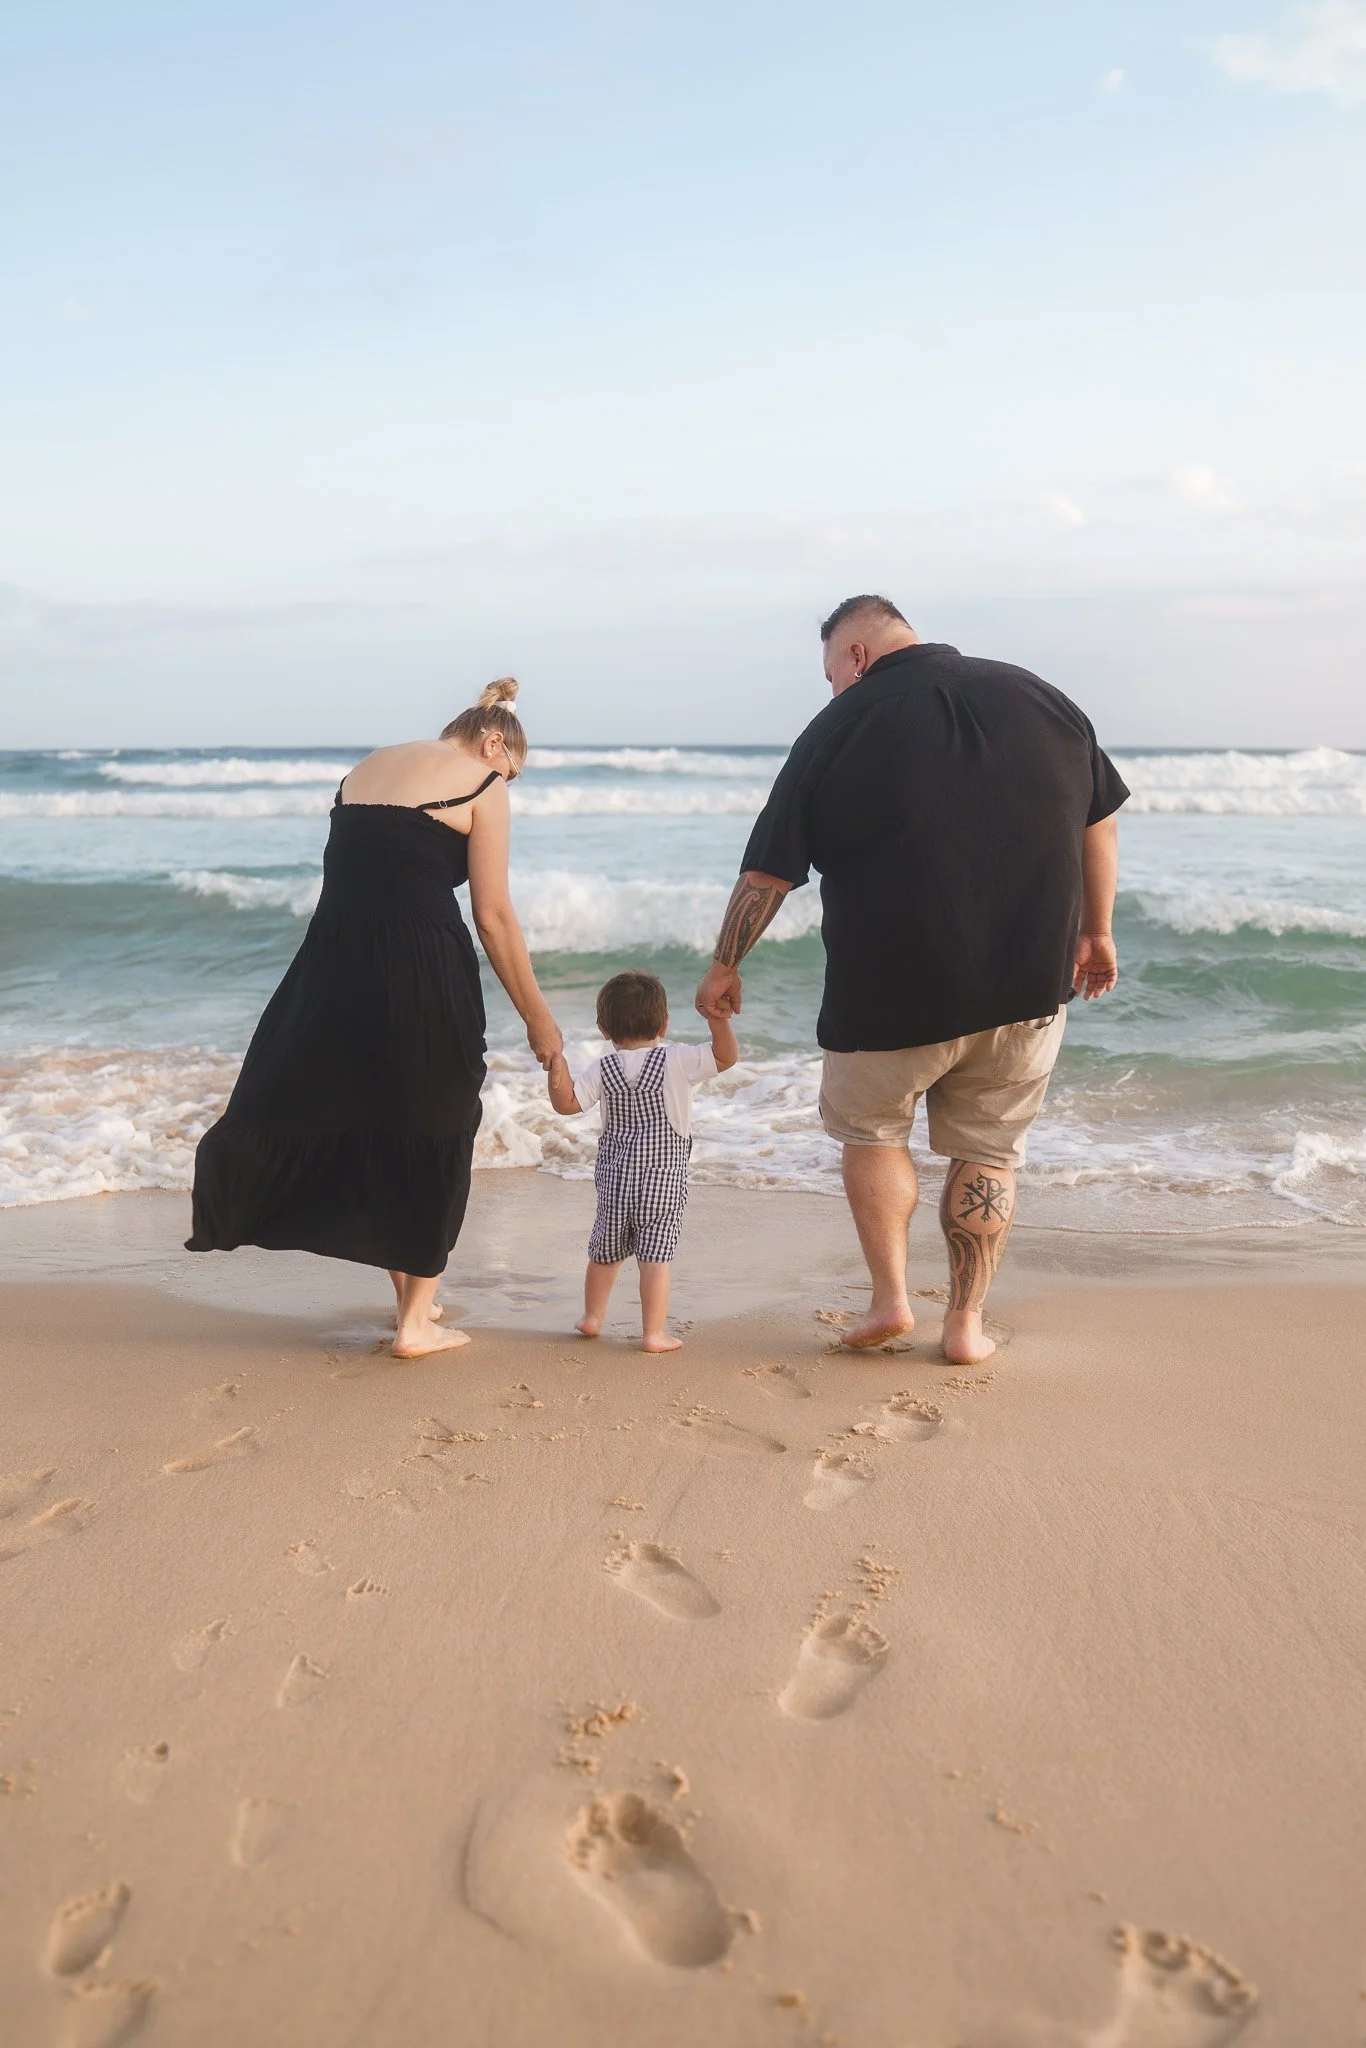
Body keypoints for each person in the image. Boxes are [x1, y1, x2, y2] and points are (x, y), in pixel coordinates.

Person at [695, 596, 1127, 1364]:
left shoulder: (839, 725)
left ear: (856, 656)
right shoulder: (1042, 697)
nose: (832, 691)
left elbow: (769, 872)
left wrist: (727, 965)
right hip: (1027, 986)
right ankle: (965, 1325)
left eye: (831, 675)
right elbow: (1098, 819)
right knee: (989, 1152)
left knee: (872, 1134)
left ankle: (892, 1300)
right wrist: (1097, 929)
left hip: (883, 996)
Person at [186, 679, 563, 1358]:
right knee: (435, 1120)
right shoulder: (482, 784)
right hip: (420, 966)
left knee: (375, 1115)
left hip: (332, 963)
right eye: (511, 771)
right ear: (493, 742)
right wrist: (541, 1021)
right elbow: (494, 917)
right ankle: (416, 1326)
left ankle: (415, 1298)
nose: (508, 784)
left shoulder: (361, 770)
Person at [547, 969, 738, 1352]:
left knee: (604, 1252)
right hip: (662, 1180)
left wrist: (556, 1064)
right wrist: (716, 1019)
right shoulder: (678, 1060)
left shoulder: (602, 1068)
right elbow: (725, 1056)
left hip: (616, 1178)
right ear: (664, 1024)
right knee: (654, 1258)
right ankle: (653, 1334)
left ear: (603, 1029)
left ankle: (592, 1317)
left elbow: (566, 1104)